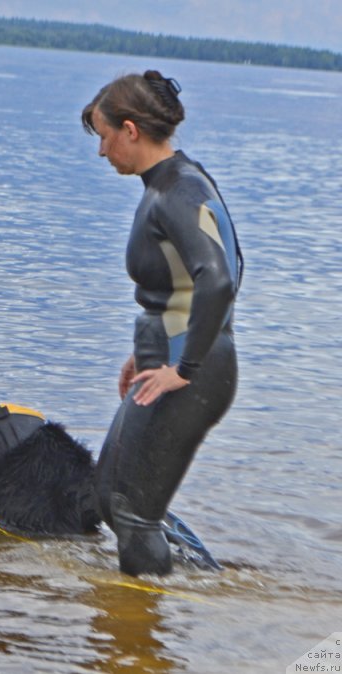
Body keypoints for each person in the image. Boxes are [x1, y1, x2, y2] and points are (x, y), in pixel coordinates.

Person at [81, 70, 243, 576]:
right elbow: (184, 287)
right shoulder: (173, 183)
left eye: (105, 137)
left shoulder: (179, 190)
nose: (102, 151)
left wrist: (185, 366)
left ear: (130, 130)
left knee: (133, 512)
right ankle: (204, 584)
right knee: (109, 497)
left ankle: (143, 616)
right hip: (172, 357)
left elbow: (219, 279)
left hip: (194, 369)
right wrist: (148, 350)